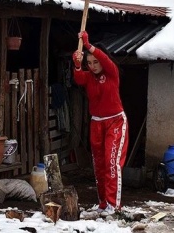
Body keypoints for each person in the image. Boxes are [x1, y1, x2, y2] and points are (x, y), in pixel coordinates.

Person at [72, 31, 129, 215]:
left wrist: (89, 46)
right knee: (99, 165)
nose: (93, 66)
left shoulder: (112, 72)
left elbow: (104, 59)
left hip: (115, 121)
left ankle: (114, 205)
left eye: (95, 62)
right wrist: (78, 65)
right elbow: (78, 78)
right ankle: (103, 203)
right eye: (90, 63)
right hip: (96, 123)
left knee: (112, 162)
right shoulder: (89, 77)